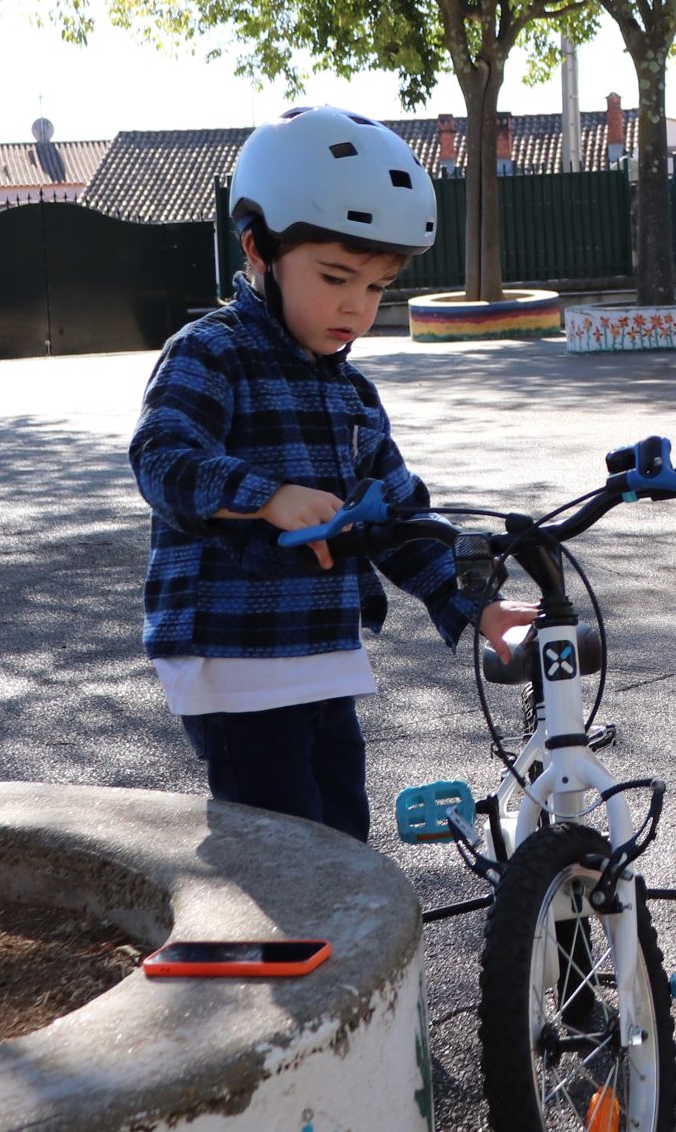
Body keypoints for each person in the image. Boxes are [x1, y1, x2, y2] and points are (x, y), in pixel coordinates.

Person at [129, 106, 530, 839]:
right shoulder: (211, 352)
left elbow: (402, 522)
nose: (356, 305)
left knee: (345, 844)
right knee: (284, 861)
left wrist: (483, 604)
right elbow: (161, 459)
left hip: (323, 656)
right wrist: (267, 498)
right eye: (336, 276)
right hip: (237, 656)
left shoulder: (352, 392)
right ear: (259, 247)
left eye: (377, 287)